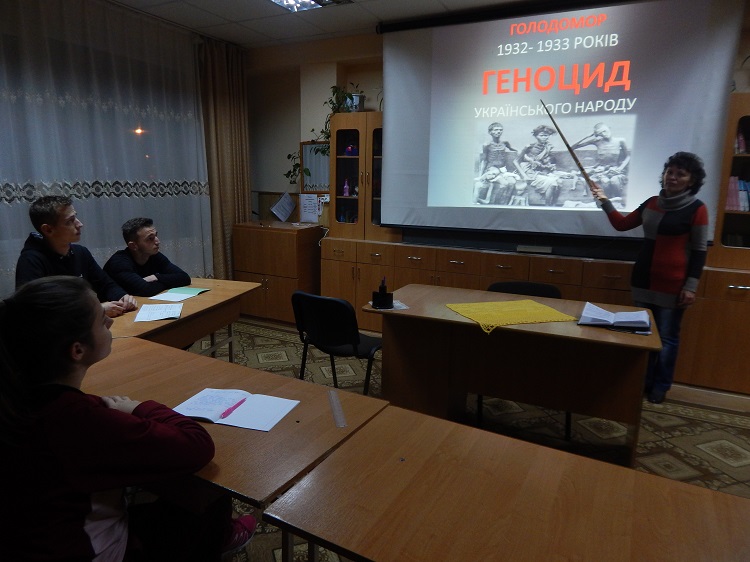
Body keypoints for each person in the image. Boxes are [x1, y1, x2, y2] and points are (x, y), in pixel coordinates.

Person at [0, 276, 256, 561]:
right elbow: (197, 444)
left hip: (29, 538)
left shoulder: (18, 396)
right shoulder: (78, 421)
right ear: (77, 350)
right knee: (207, 487)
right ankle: (221, 536)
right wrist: (138, 407)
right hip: (87, 549)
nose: (110, 322)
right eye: (101, 320)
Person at [589, 152, 708, 404]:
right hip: (643, 278)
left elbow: (699, 251)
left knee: (667, 338)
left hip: (673, 285)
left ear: (691, 180)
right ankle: (642, 382)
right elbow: (621, 225)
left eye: (680, 174)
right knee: (643, 334)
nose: (672, 177)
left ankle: (660, 386)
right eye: (669, 172)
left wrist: (691, 286)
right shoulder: (652, 202)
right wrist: (604, 200)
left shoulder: (697, 209)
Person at [15, 195, 138, 318]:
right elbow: (35, 311)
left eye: (76, 217)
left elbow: (106, 284)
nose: (80, 224)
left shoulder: (80, 252)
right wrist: (96, 310)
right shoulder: (30, 261)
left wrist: (122, 296)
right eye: (70, 221)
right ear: (48, 230)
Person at [104, 217, 191, 297]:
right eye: (150, 238)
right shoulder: (119, 263)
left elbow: (184, 277)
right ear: (133, 246)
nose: (157, 241)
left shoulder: (153, 255)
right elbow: (146, 290)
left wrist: (156, 277)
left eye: (156, 235)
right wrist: (168, 281)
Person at [571, 122, 630, 198]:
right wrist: (587, 136)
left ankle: (617, 199)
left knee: (614, 181)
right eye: (600, 133)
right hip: (600, 170)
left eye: (604, 131)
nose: (604, 134)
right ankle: (608, 200)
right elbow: (572, 147)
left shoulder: (620, 141)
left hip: (615, 169)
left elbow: (628, 156)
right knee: (605, 182)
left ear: (609, 128)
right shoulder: (597, 141)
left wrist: (620, 168)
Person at [475, 122, 520, 204]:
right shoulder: (487, 145)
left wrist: (520, 153)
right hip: (491, 169)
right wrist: (481, 175)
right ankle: (491, 203)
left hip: (503, 169)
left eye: (500, 130)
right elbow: (484, 160)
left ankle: (504, 204)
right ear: (490, 132)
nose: (498, 132)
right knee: (504, 184)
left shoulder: (505, 143)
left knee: (512, 182)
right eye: (495, 130)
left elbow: (513, 150)